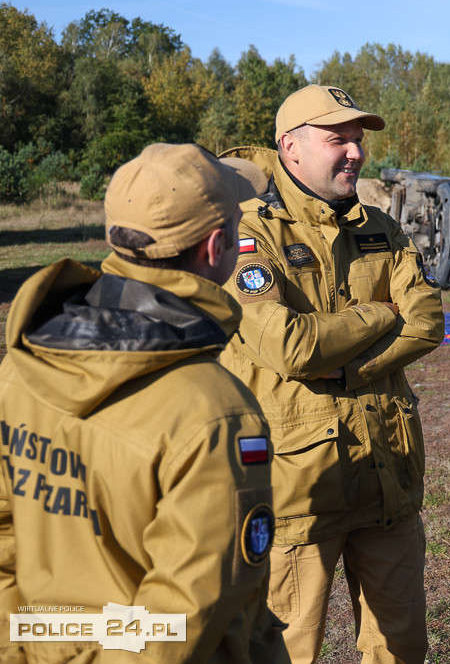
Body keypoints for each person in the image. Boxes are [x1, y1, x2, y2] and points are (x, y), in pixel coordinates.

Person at [0, 143, 288, 662]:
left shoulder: (22, 366)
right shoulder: (212, 412)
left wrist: (23, 645)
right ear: (216, 245)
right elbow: (178, 619)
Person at [218, 84, 444, 664]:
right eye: (336, 139)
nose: (355, 152)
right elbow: (291, 346)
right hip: (301, 489)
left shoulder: (380, 227)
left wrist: (344, 368)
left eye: (358, 139)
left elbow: (427, 321)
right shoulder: (248, 234)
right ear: (290, 147)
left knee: (401, 648)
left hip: (385, 471)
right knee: (287, 651)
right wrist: (378, 313)